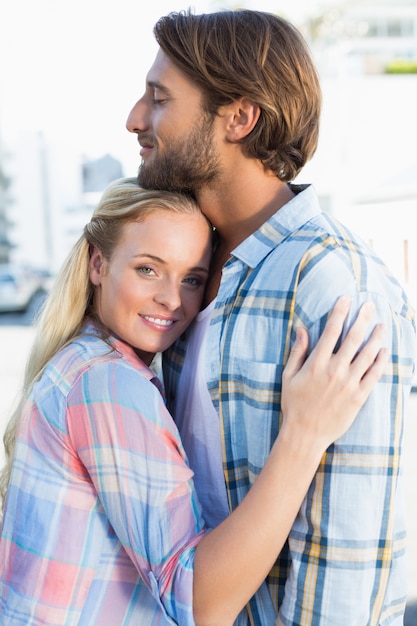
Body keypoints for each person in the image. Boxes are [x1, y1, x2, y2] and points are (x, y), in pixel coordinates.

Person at [125, 9, 417, 626]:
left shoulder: (333, 285)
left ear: (239, 117)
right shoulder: (183, 277)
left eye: (159, 98)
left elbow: (346, 577)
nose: (134, 119)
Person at [0, 178, 387, 625]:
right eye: (148, 268)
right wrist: (304, 436)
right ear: (98, 264)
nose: (171, 299)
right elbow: (197, 603)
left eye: (192, 279)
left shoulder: (79, 361)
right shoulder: (107, 382)